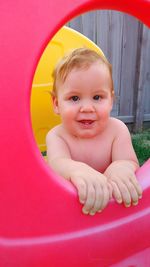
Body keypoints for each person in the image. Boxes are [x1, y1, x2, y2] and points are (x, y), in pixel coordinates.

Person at [46, 47, 142, 216]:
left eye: (97, 97)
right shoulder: (57, 136)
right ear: (56, 104)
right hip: (72, 210)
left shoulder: (117, 130)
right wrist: (77, 170)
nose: (87, 108)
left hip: (112, 210)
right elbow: (56, 164)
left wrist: (120, 167)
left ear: (111, 100)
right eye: (74, 98)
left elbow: (129, 161)